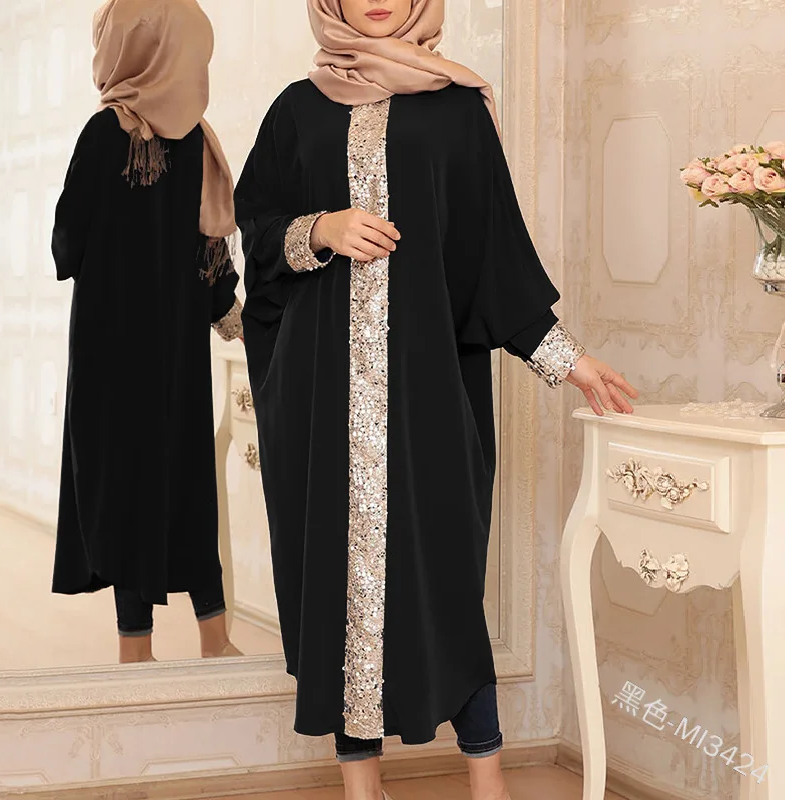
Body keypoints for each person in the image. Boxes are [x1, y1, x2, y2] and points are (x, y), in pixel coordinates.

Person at [235, 1, 637, 798]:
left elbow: (494, 254)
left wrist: (568, 359)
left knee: (444, 582)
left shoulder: (457, 108)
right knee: (337, 585)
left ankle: (488, 779)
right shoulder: (297, 108)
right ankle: (361, 784)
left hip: (428, 394)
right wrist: (320, 230)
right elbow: (255, 228)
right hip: (320, 396)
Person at [51, 0, 244, 665]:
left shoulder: (105, 136)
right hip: (177, 356)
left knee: (124, 487)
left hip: (109, 356)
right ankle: (216, 638)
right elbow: (212, 254)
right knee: (186, 480)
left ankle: (136, 650)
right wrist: (228, 312)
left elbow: (67, 245)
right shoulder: (199, 144)